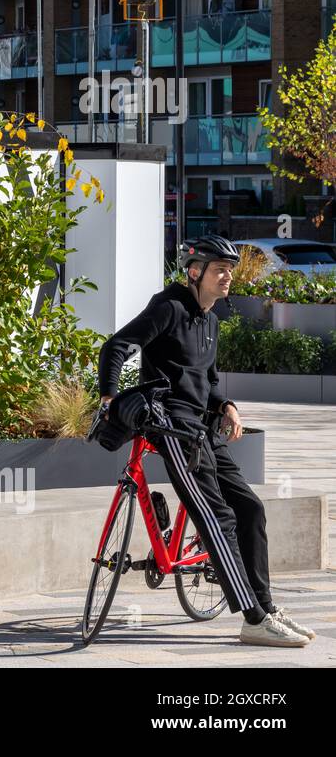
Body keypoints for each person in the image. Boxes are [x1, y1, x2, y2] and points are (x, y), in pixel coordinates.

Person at [96, 234, 317, 648]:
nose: (228, 276)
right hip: (172, 426)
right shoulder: (169, 307)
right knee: (218, 518)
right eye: (220, 269)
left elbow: (208, 382)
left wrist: (227, 406)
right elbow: (117, 346)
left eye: (230, 269)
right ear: (195, 272)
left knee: (250, 508)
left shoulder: (211, 320)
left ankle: (266, 607)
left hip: (203, 428)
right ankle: (252, 620)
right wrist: (109, 397)